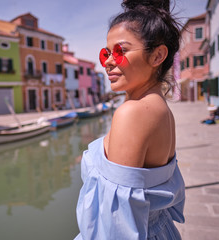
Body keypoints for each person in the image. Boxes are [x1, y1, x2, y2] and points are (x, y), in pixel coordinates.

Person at [75, 0, 185, 239]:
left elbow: (116, 222)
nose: (108, 62)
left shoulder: (132, 113)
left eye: (120, 51)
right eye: (106, 53)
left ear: (157, 55)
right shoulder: (161, 109)